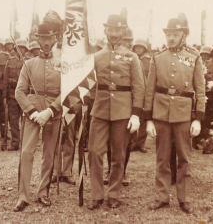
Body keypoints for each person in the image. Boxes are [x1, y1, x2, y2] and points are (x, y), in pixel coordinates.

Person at [145, 17, 205, 214]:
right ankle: (162, 196)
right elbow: (149, 89)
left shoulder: (194, 57)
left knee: (185, 157)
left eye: (175, 34)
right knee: (162, 157)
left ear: (184, 35)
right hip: (161, 113)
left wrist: (198, 118)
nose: (171, 38)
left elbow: (200, 90)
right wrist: (148, 119)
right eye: (168, 34)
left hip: (184, 114)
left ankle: (184, 198)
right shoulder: (158, 57)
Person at [88, 14, 145, 210]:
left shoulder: (132, 56)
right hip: (100, 109)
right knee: (94, 151)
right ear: (105, 31)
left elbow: (139, 87)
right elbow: (88, 84)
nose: (113, 34)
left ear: (122, 32)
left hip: (123, 111)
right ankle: (97, 195)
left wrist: (136, 114)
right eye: (110, 30)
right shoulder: (96, 57)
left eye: (117, 30)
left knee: (118, 155)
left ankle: (113, 194)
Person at [13, 10, 62, 212]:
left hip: (53, 113)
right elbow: (19, 92)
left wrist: (50, 111)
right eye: (42, 38)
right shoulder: (29, 64)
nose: (45, 42)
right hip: (32, 113)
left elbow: (67, 92)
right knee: (26, 152)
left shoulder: (63, 64)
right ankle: (23, 196)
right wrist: (33, 112)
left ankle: (43, 192)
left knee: (49, 154)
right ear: (38, 40)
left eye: (49, 38)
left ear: (55, 38)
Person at [3, 38, 28, 151]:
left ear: (25, 50)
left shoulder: (29, 61)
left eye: (22, 48)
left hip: (25, 96)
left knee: (26, 120)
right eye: (18, 48)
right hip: (12, 95)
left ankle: (26, 143)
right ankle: (15, 143)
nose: (20, 50)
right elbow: (5, 79)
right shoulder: (10, 61)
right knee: (13, 120)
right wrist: (4, 96)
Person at [131, 38, 150, 153]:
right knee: (133, 116)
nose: (138, 49)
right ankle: (132, 142)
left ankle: (141, 143)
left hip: (146, 91)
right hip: (134, 92)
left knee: (144, 118)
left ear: (144, 49)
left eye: (141, 47)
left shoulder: (148, 60)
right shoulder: (130, 58)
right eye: (136, 47)